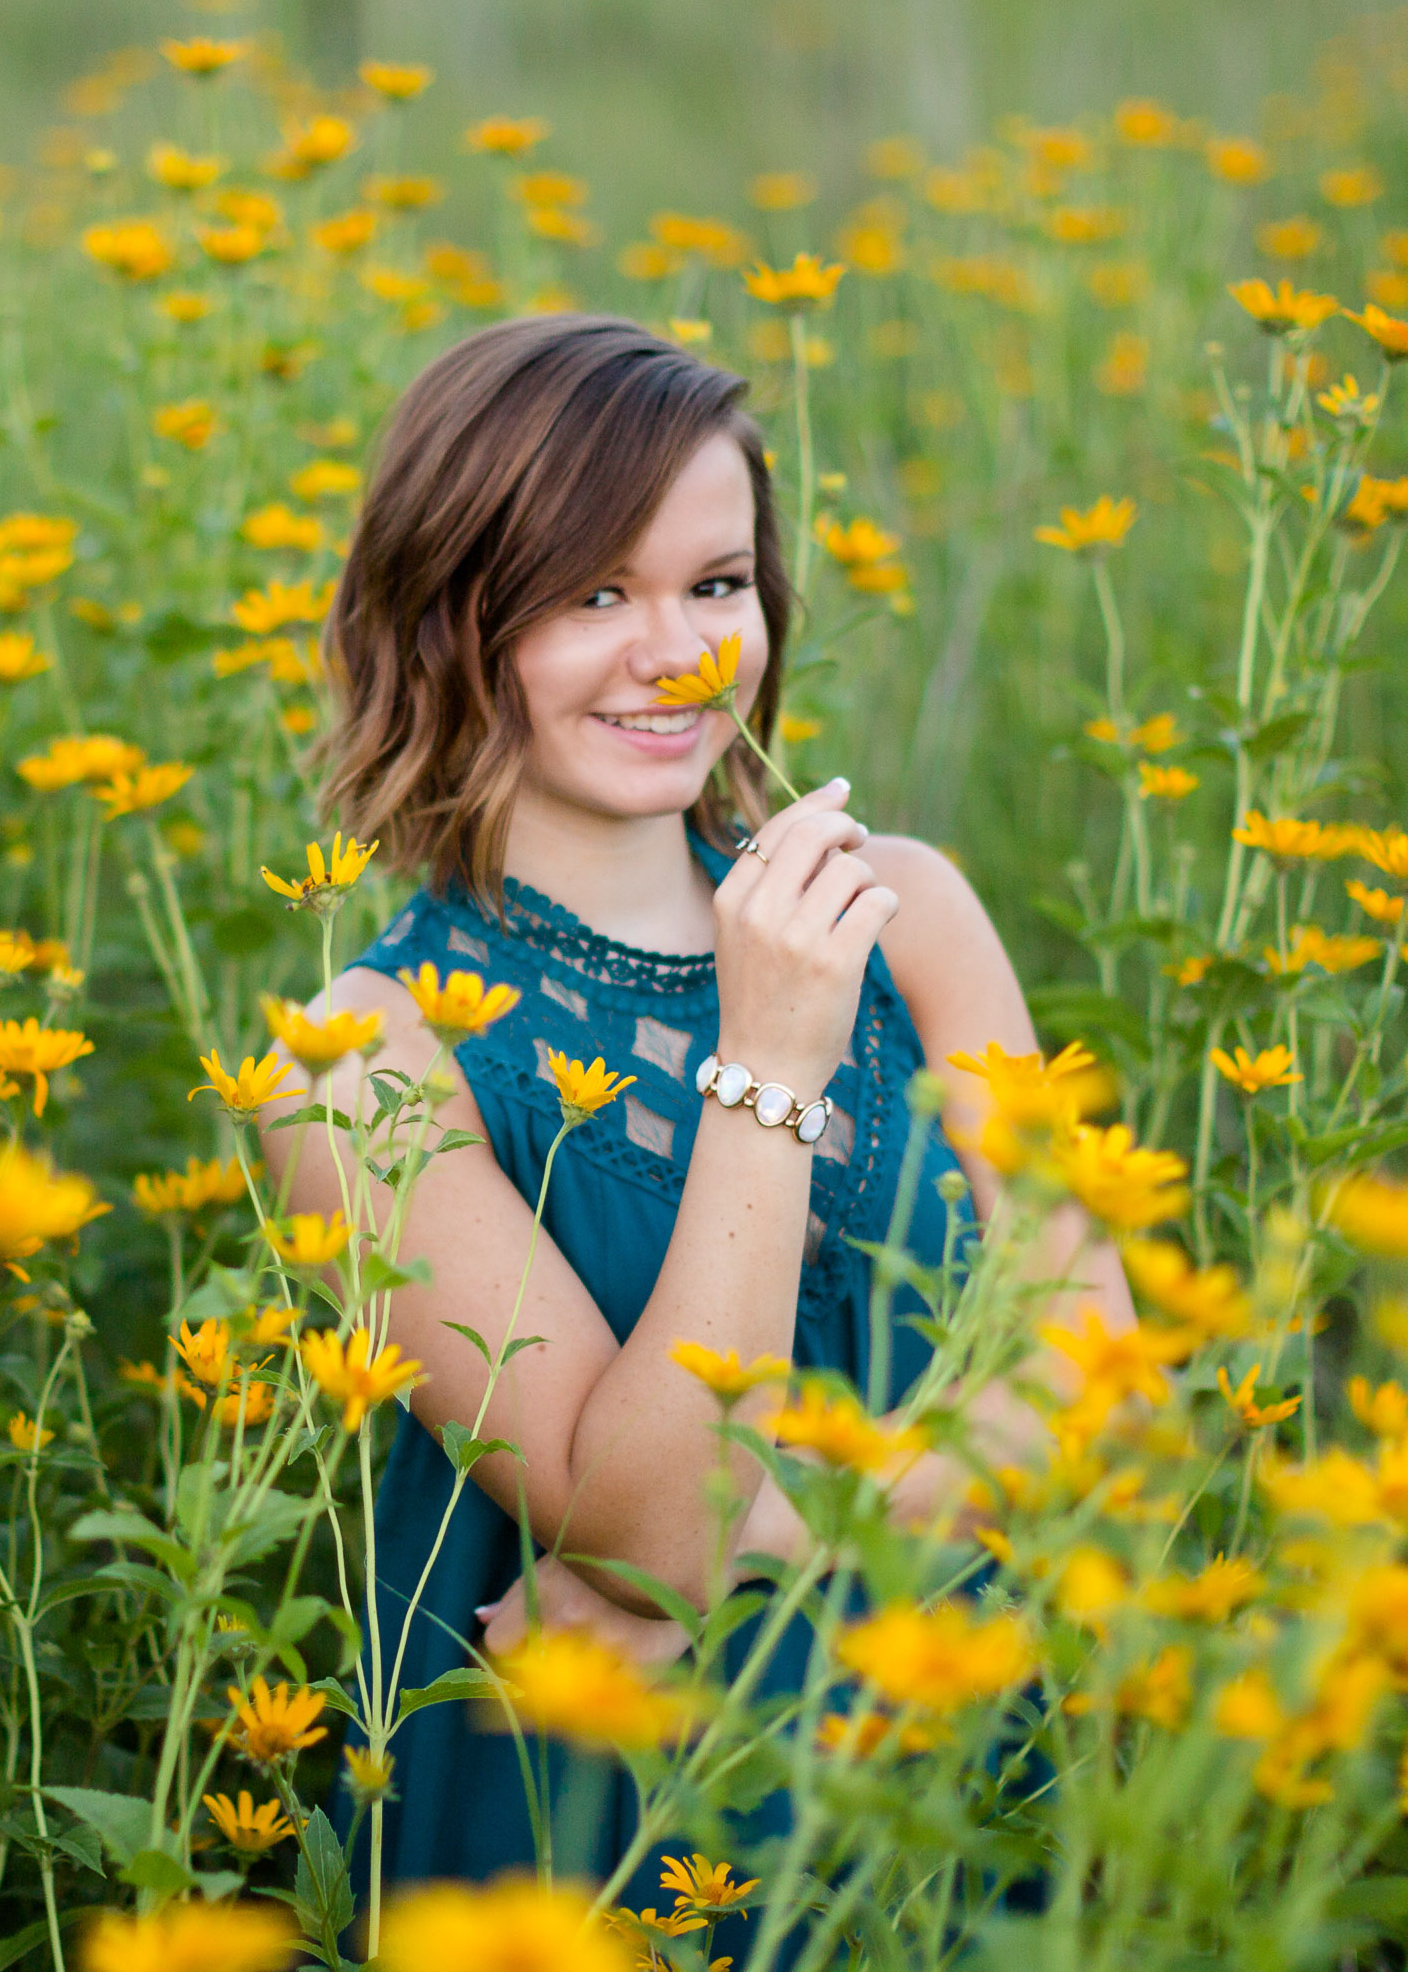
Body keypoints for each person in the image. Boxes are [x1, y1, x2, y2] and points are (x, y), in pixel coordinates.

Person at [259, 313, 1133, 1908]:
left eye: (715, 585)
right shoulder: (359, 1062)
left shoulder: (914, 917)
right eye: (595, 593)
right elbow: (653, 1533)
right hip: (594, 1859)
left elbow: (1108, 1402)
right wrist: (769, 1062)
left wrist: (762, 1533)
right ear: (452, 619)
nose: (679, 652)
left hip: (957, 1809)